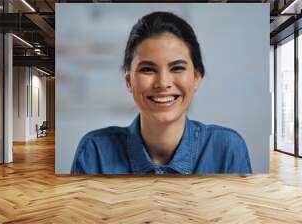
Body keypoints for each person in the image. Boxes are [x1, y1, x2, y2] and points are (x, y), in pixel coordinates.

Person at [71, 11, 252, 174]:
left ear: (196, 77)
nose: (163, 83)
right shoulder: (94, 152)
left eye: (177, 68)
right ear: (128, 80)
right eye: (148, 69)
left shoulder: (228, 149)